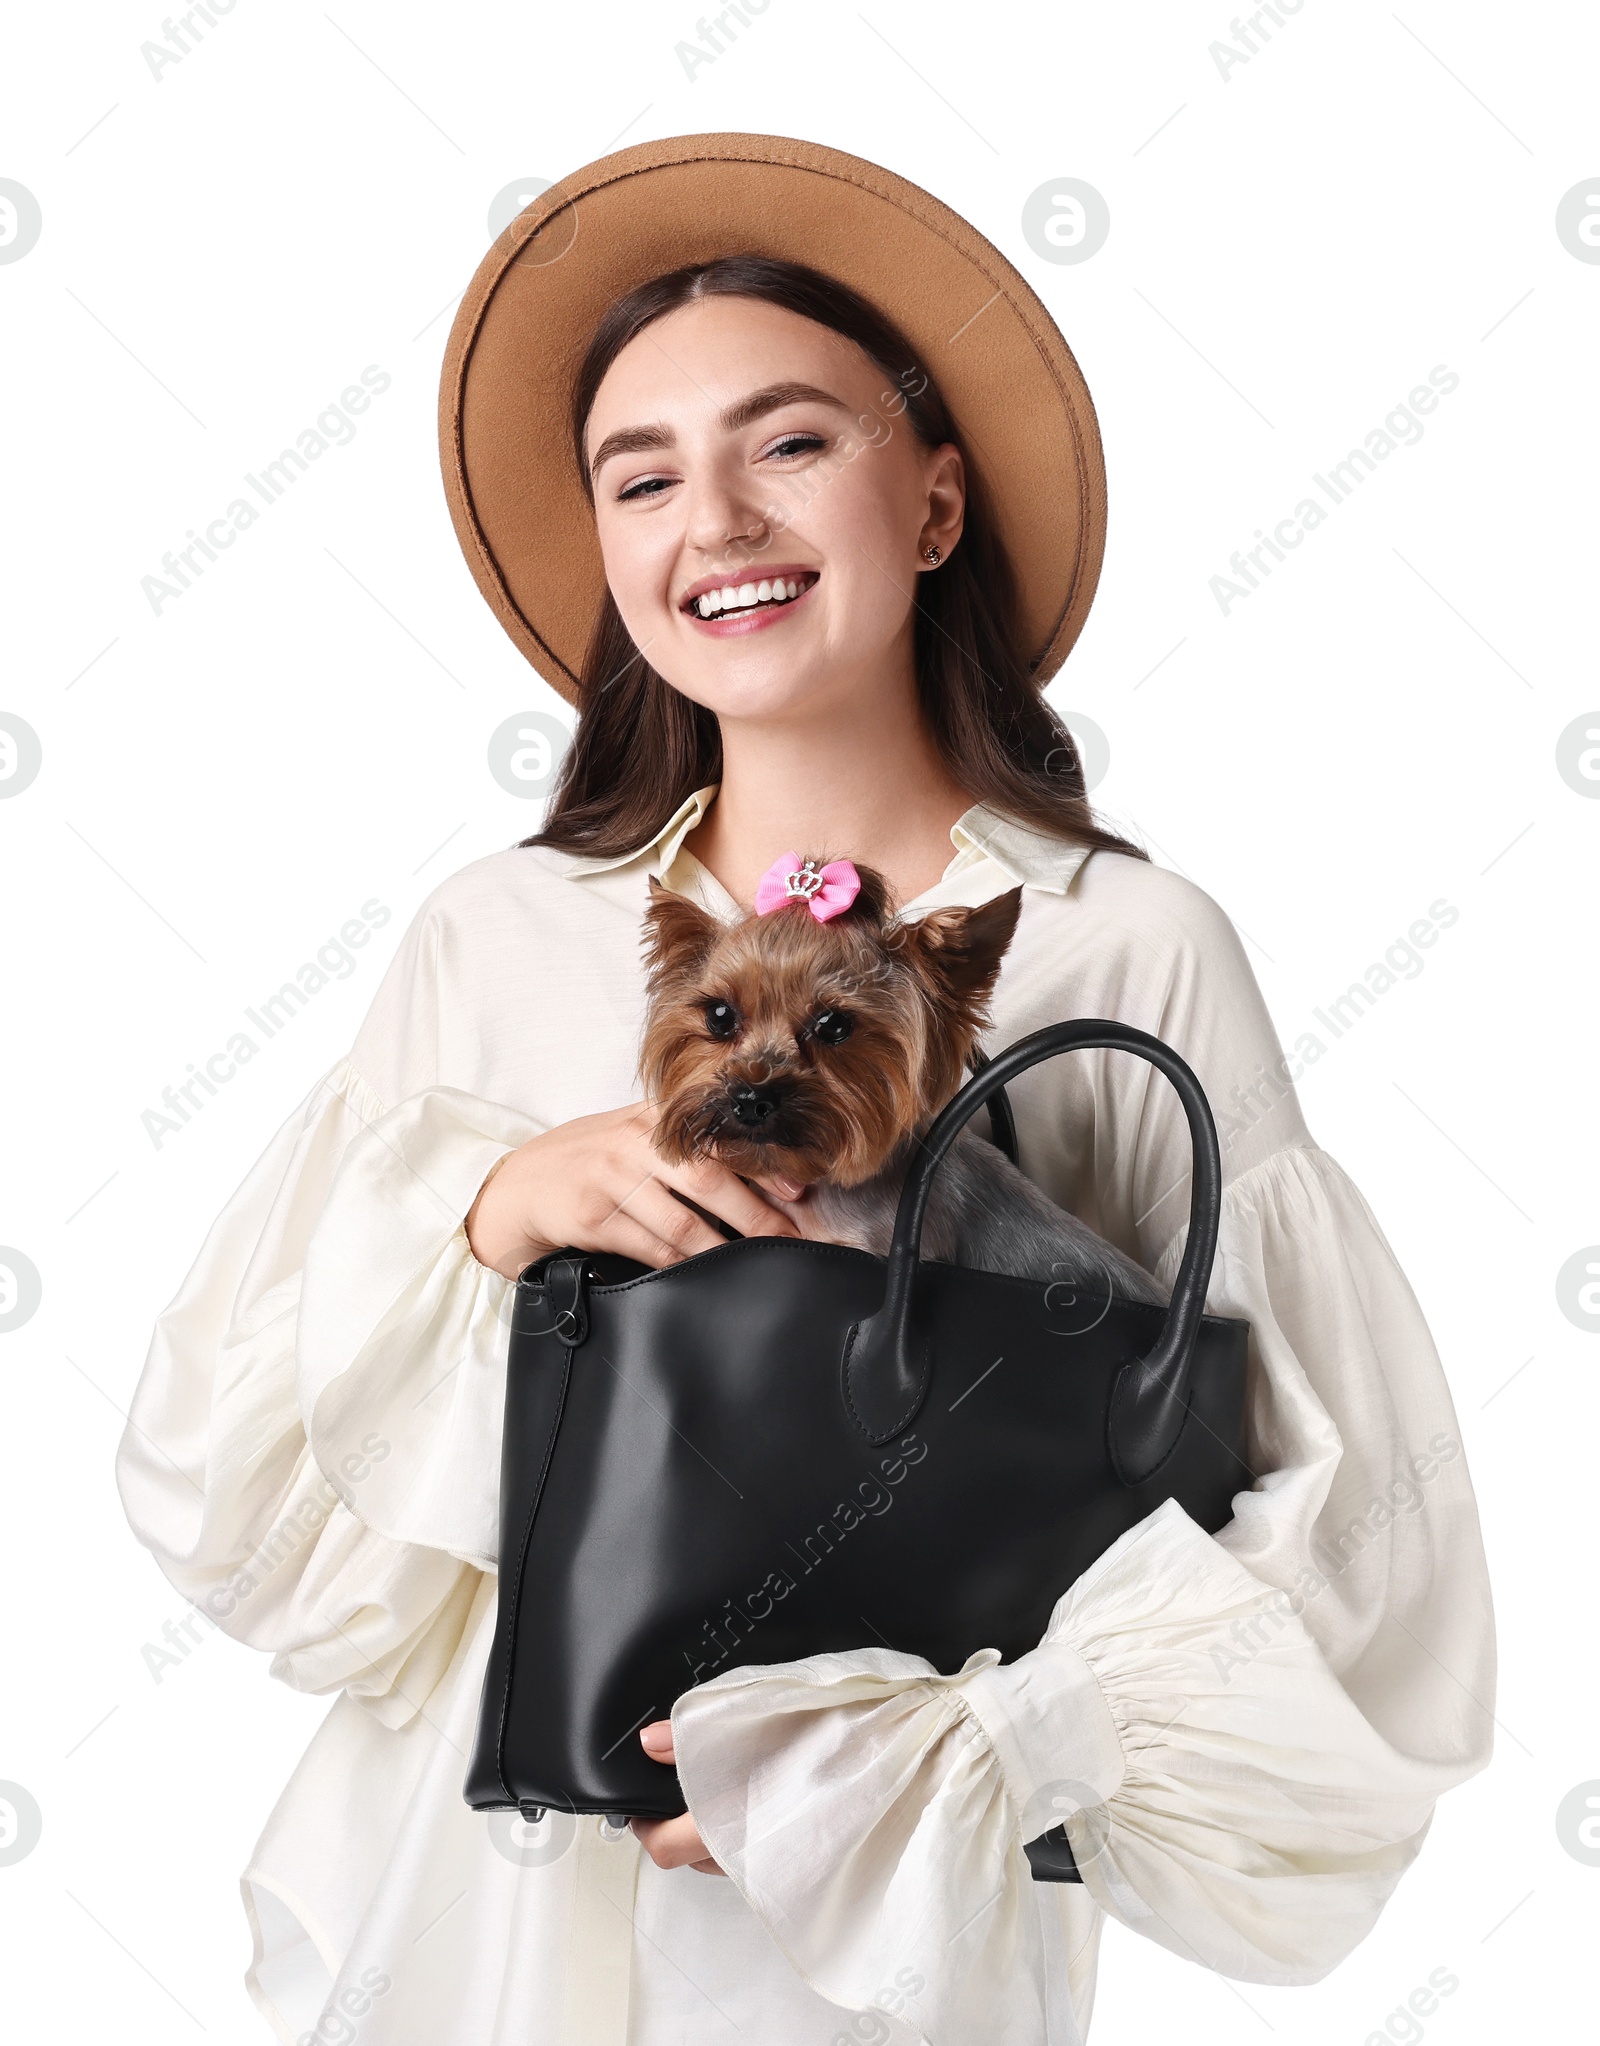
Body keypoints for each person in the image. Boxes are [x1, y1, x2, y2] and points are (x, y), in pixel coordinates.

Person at [115, 135, 1494, 2046]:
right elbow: (227, 1490)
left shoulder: (1122, 950)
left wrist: (971, 1743)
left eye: (788, 443)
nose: (716, 521)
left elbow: (1355, 1556)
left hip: (881, 1955)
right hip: (487, 1920)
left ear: (935, 500)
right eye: (642, 473)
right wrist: (494, 1209)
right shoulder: (502, 934)